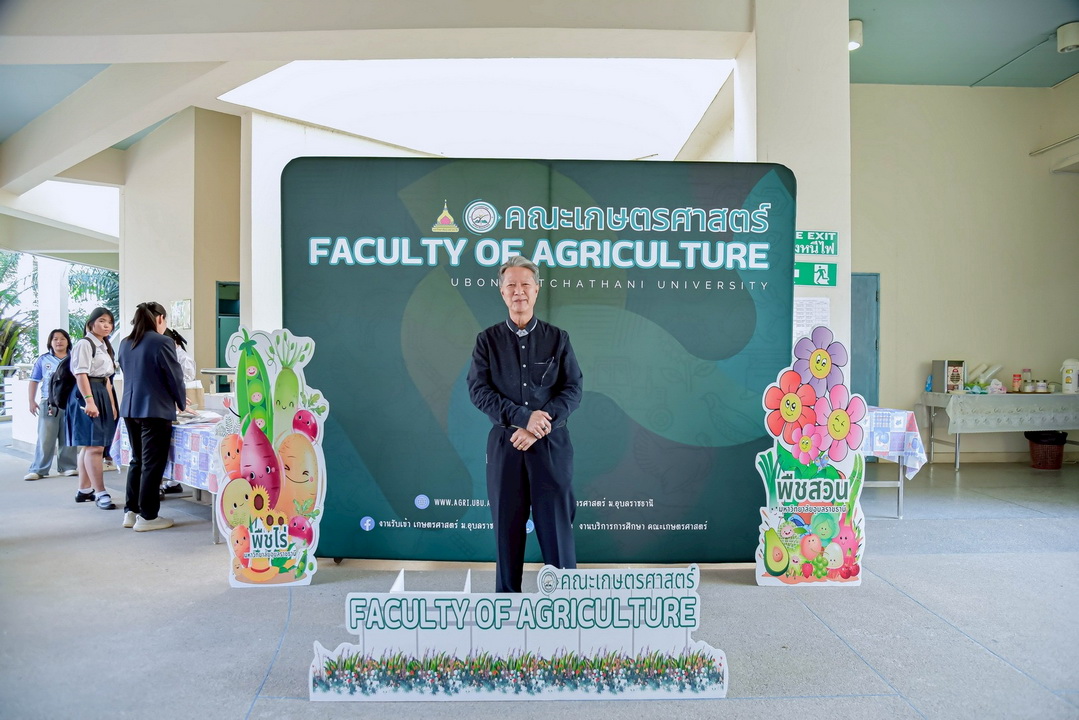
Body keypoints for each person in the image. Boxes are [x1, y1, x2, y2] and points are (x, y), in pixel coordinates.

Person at [467, 255, 584, 592]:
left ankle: (564, 603)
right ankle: (506, 603)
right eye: (511, 286)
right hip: (506, 446)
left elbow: (573, 389)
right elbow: (479, 391)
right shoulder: (487, 341)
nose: (518, 291)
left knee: (557, 529)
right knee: (506, 529)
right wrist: (522, 418)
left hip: (551, 446)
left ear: (536, 290)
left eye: (525, 285)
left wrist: (538, 426)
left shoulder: (557, 338)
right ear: (502, 292)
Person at [117, 302, 187, 532]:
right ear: (160, 319)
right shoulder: (163, 342)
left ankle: (131, 511)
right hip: (155, 410)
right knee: (152, 464)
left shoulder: (125, 343)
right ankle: (148, 517)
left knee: (137, 460)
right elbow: (174, 376)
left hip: (130, 408)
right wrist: (181, 402)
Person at [65, 307, 120, 510]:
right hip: (87, 393)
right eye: (102, 321)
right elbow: (81, 374)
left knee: (90, 445)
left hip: (102, 393)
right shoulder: (84, 344)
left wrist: (112, 404)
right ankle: (100, 493)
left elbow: (107, 379)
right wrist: (89, 401)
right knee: (95, 446)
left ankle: (84, 490)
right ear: (91, 324)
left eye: (110, 322)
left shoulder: (104, 345)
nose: (107, 325)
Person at [24, 329, 79, 481]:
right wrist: (31, 401)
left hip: (70, 403)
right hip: (48, 403)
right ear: (50, 342)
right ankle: (38, 469)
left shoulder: (74, 358)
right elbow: (34, 380)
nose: (59, 342)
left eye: (62, 339)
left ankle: (68, 467)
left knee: (68, 435)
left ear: (68, 341)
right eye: (55, 339)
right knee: (45, 437)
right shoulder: (43, 359)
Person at [158, 327, 195, 497]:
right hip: (169, 402)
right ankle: (171, 480)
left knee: (168, 446)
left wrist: (179, 399)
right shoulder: (167, 353)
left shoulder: (181, 357)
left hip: (176, 402)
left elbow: (183, 379)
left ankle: (169, 481)